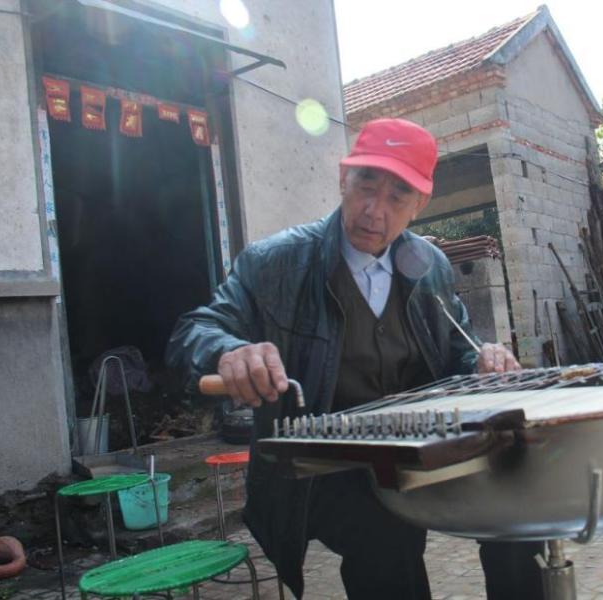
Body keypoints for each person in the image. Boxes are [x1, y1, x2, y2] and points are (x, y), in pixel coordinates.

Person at [167, 118, 544, 599]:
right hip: (327, 467)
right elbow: (192, 332)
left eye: (397, 196)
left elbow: (458, 355)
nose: (374, 210)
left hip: (424, 451)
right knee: (386, 537)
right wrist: (229, 350)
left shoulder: (431, 268)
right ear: (344, 177)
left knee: (519, 509)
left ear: (420, 205)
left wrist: (483, 362)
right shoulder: (275, 262)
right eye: (366, 184)